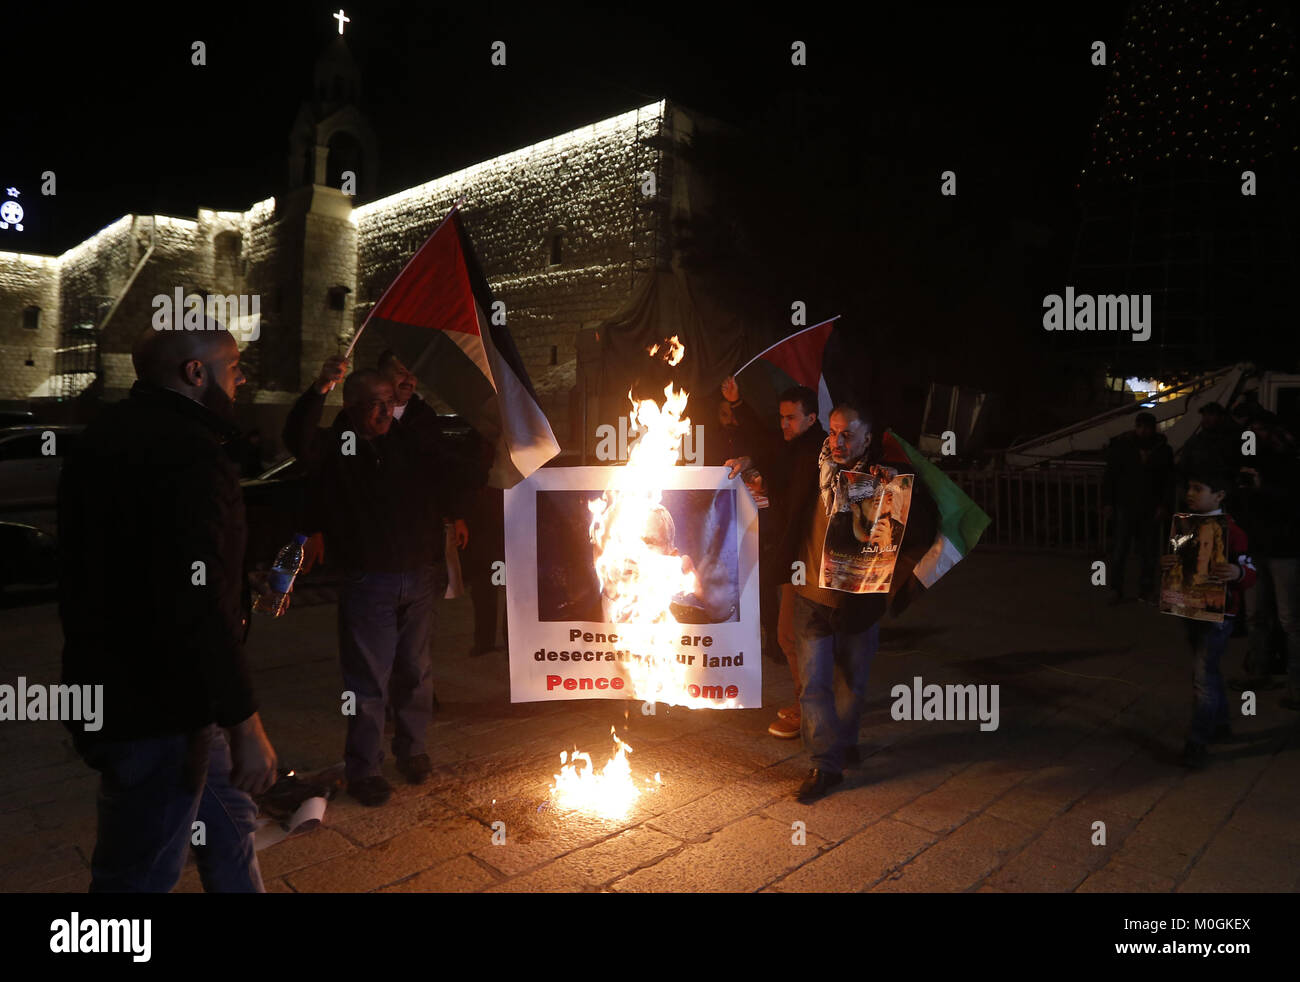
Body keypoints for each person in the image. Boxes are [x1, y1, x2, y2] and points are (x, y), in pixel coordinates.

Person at [59, 322, 277, 892]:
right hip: (159, 708)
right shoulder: (187, 452)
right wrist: (244, 721)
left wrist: (238, 579)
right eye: (234, 367)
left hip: (146, 695)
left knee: (229, 828)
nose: (243, 377)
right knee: (138, 875)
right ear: (195, 373)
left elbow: (141, 563)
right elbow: (191, 601)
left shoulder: (110, 433)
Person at [283, 356, 467, 807]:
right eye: (373, 405)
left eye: (388, 402)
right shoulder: (338, 447)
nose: (384, 413)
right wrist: (319, 388)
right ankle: (364, 768)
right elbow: (298, 440)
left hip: (417, 576)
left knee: (416, 672)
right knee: (367, 681)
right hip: (370, 582)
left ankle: (412, 750)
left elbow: (448, 467)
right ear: (350, 407)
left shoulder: (407, 440)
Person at [731, 398, 934, 802]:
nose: (838, 442)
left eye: (848, 435)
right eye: (834, 432)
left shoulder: (888, 476)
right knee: (813, 684)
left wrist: (895, 494)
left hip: (860, 599)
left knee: (851, 683)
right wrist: (749, 464)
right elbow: (774, 463)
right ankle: (824, 764)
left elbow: (923, 526)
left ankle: (844, 740)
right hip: (809, 593)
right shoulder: (812, 464)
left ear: (867, 438)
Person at [721, 378, 826, 740]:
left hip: (804, 561)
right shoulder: (800, 447)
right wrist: (737, 404)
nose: (784, 424)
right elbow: (769, 443)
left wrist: (782, 560)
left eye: (791, 418)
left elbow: (798, 509)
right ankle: (818, 704)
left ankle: (808, 710)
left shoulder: (815, 453)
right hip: (797, 558)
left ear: (812, 418)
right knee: (800, 638)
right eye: (781, 417)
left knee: (790, 637)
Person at [1158, 471, 1256, 769]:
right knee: (1208, 672)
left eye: (1198, 488)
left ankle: (1197, 742)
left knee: (1202, 677)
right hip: (1191, 610)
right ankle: (1222, 724)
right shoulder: (1185, 524)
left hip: (1218, 616)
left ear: (1219, 495)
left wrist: (1238, 574)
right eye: (1189, 486)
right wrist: (1168, 565)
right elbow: (1176, 565)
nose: (1190, 492)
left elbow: (1250, 571)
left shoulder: (1233, 532)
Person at [1231, 412, 1300, 708]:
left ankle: (1296, 687)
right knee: (1254, 615)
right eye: (1251, 429)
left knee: (1290, 621)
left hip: (1286, 549)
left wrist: (1264, 488)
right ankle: (1258, 670)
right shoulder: (1249, 458)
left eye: (1259, 429)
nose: (1254, 435)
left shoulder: (1291, 460)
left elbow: (1293, 501)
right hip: (1257, 547)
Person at [1102, 412, 1173, 604]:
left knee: (1141, 551)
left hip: (1142, 505)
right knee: (1128, 550)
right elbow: (1111, 476)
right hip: (1131, 504)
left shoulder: (1130, 447)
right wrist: (1109, 502)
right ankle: (1133, 589)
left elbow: (1167, 481)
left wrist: (1163, 504)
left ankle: (1137, 589)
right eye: (1141, 427)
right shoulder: (1159, 449)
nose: (1143, 431)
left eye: (1146, 427)